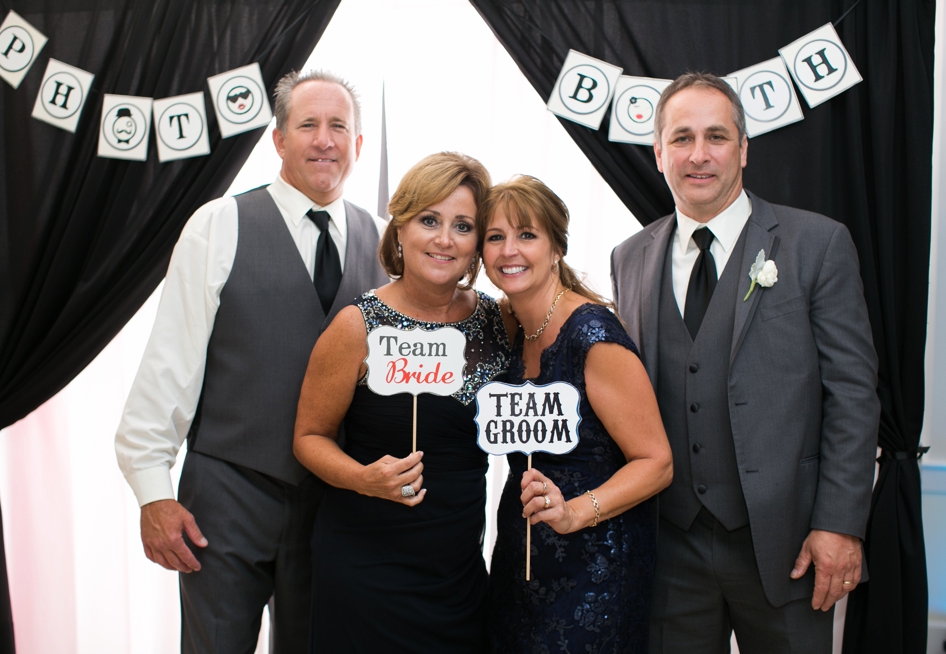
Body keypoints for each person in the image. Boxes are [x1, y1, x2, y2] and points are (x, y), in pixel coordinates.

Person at [114, 69, 386, 653]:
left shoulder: (386, 241)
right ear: (279, 140)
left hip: (336, 503)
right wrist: (152, 491)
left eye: (339, 126)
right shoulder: (219, 224)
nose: (324, 139)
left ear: (358, 145)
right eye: (307, 124)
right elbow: (170, 362)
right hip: (226, 493)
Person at [610, 72, 880, 654]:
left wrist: (839, 523)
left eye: (717, 136)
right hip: (668, 546)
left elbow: (854, 395)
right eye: (681, 138)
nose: (699, 155)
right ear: (658, 153)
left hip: (788, 546)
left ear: (744, 149)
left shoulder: (816, 244)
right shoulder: (629, 257)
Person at [293, 151, 509, 652]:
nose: (444, 239)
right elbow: (308, 438)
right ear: (400, 229)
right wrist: (363, 478)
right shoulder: (356, 325)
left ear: (478, 243)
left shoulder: (499, 321)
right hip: (366, 570)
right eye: (429, 220)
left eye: (463, 226)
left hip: (457, 573)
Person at [481, 175, 673, 653]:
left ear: (556, 247)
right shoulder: (509, 325)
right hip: (520, 555)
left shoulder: (593, 336)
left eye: (527, 235)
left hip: (595, 565)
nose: (510, 250)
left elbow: (657, 463)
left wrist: (574, 513)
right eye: (495, 237)